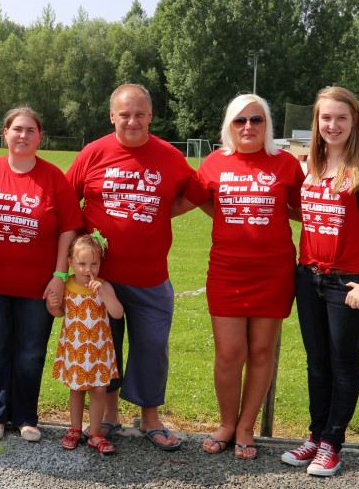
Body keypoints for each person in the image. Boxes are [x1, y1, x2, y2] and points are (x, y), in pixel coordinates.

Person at [64, 83, 207, 451]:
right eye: (124, 114)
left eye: (139, 114)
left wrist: (164, 211)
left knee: (152, 346)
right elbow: (66, 203)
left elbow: (196, 191)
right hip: (99, 279)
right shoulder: (93, 153)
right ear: (112, 115)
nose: (132, 121)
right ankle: (108, 416)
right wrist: (68, 268)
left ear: (150, 116)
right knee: (103, 348)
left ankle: (149, 418)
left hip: (149, 276)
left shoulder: (169, 156)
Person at [0, 106, 82, 443]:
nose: (23, 135)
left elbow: (69, 229)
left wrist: (59, 275)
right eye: (17, 129)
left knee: (30, 351)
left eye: (30, 130)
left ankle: (25, 416)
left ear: (40, 136)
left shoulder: (54, 178)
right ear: (5, 134)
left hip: (37, 286)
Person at [282, 86, 359, 477]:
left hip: (348, 283)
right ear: (316, 121)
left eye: (341, 117)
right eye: (326, 117)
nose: (333, 124)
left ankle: (332, 442)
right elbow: (308, 211)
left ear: (354, 120)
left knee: (343, 364)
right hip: (308, 276)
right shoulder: (309, 161)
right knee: (316, 363)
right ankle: (315, 434)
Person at [189, 94, 305, 460]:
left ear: (267, 124)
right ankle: (226, 423)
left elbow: (305, 209)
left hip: (274, 270)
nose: (249, 127)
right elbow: (198, 198)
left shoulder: (285, 163)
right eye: (240, 121)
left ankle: (245, 427)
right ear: (229, 125)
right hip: (227, 270)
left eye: (256, 119)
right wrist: (227, 214)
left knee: (260, 352)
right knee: (228, 354)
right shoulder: (214, 163)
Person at [48, 232, 123, 454]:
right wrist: (52, 305)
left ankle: (96, 432)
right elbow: (60, 313)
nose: (87, 269)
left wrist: (103, 294)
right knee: (76, 389)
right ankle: (74, 429)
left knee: (99, 390)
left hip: (99, 348)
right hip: (75, 348)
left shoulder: (103, 286)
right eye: (81, 264)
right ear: (70, 262)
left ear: (100, 263)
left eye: (93, 263)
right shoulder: (67, 285)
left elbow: (117, 313)